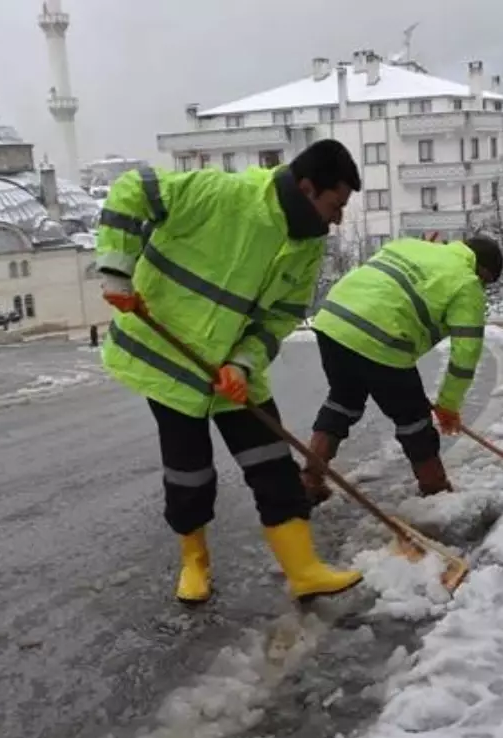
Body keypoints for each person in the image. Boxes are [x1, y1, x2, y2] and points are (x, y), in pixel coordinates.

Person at [96, 140, 363, 604]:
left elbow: (281, 315)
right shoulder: (219, 193)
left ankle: (304, 570)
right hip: (172, 363)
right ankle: (194, 564)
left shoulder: (307, 245)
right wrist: (117, 269)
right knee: (189, 471)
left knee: (273, 465)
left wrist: (242, 363)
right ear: (305, 187)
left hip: (234, 374)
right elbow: (130, 189)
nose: (338, 219)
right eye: (334, 204)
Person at [301, 235, 503, 503]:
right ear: (483, 271)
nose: (483, 290)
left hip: (333, 319)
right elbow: (465, 355)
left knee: (343, 400)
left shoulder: (411, 244)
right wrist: (448, 405)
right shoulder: (468, 284)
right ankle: (436, 491)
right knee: (414, 419)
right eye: (486, 283)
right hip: (382, 337)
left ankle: (310, 479)